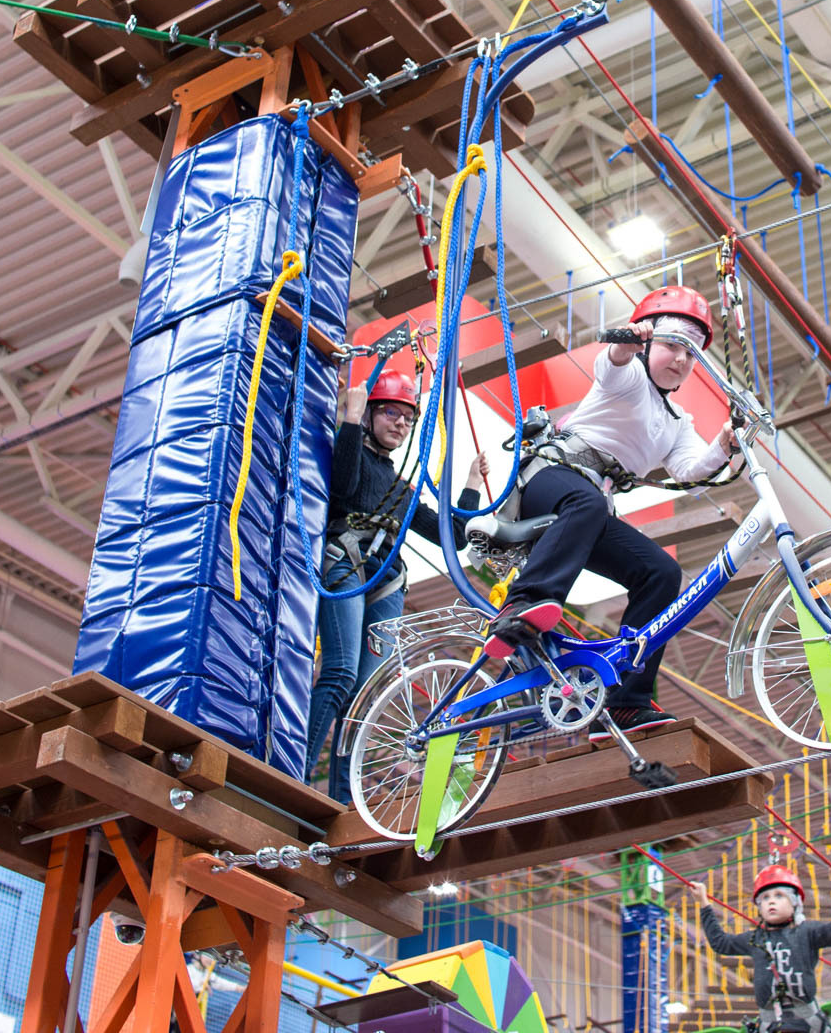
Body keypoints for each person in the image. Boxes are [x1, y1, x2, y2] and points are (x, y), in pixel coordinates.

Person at [483, 284, 741, 740]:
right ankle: (522, 603)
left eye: (691, 353)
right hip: (551, 479)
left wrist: (723, 443)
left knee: (661, 572)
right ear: (649, 342)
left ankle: (627, 701)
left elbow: (689, 470)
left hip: (588, 508)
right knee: (585, 502)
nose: (681, 359)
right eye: (672, 345)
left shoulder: (677, 421)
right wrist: (628, 342)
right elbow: (612, 364)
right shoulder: (630, 377)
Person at [309, 366, 485, 804]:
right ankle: (293, 770)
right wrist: (350, 420)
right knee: (340, 672)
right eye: (391, 413)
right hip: (346, 561)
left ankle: (342, 801)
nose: (401, 424)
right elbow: (342, 487)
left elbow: (454, 537)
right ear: (370, 413)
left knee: (366, 696)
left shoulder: (401, 488)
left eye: (407, 419)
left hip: (387, 580)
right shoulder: (350, 452)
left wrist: (471, 484)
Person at [696, 862, 831, 1033]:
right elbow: (721, 943)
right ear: (759, 907)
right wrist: (703, 903)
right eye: (765, 898)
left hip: (807, 1023)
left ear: (795, 902)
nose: (771, 902)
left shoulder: (808, 932)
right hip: (771, 1025)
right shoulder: (755, 938)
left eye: (779, 895)